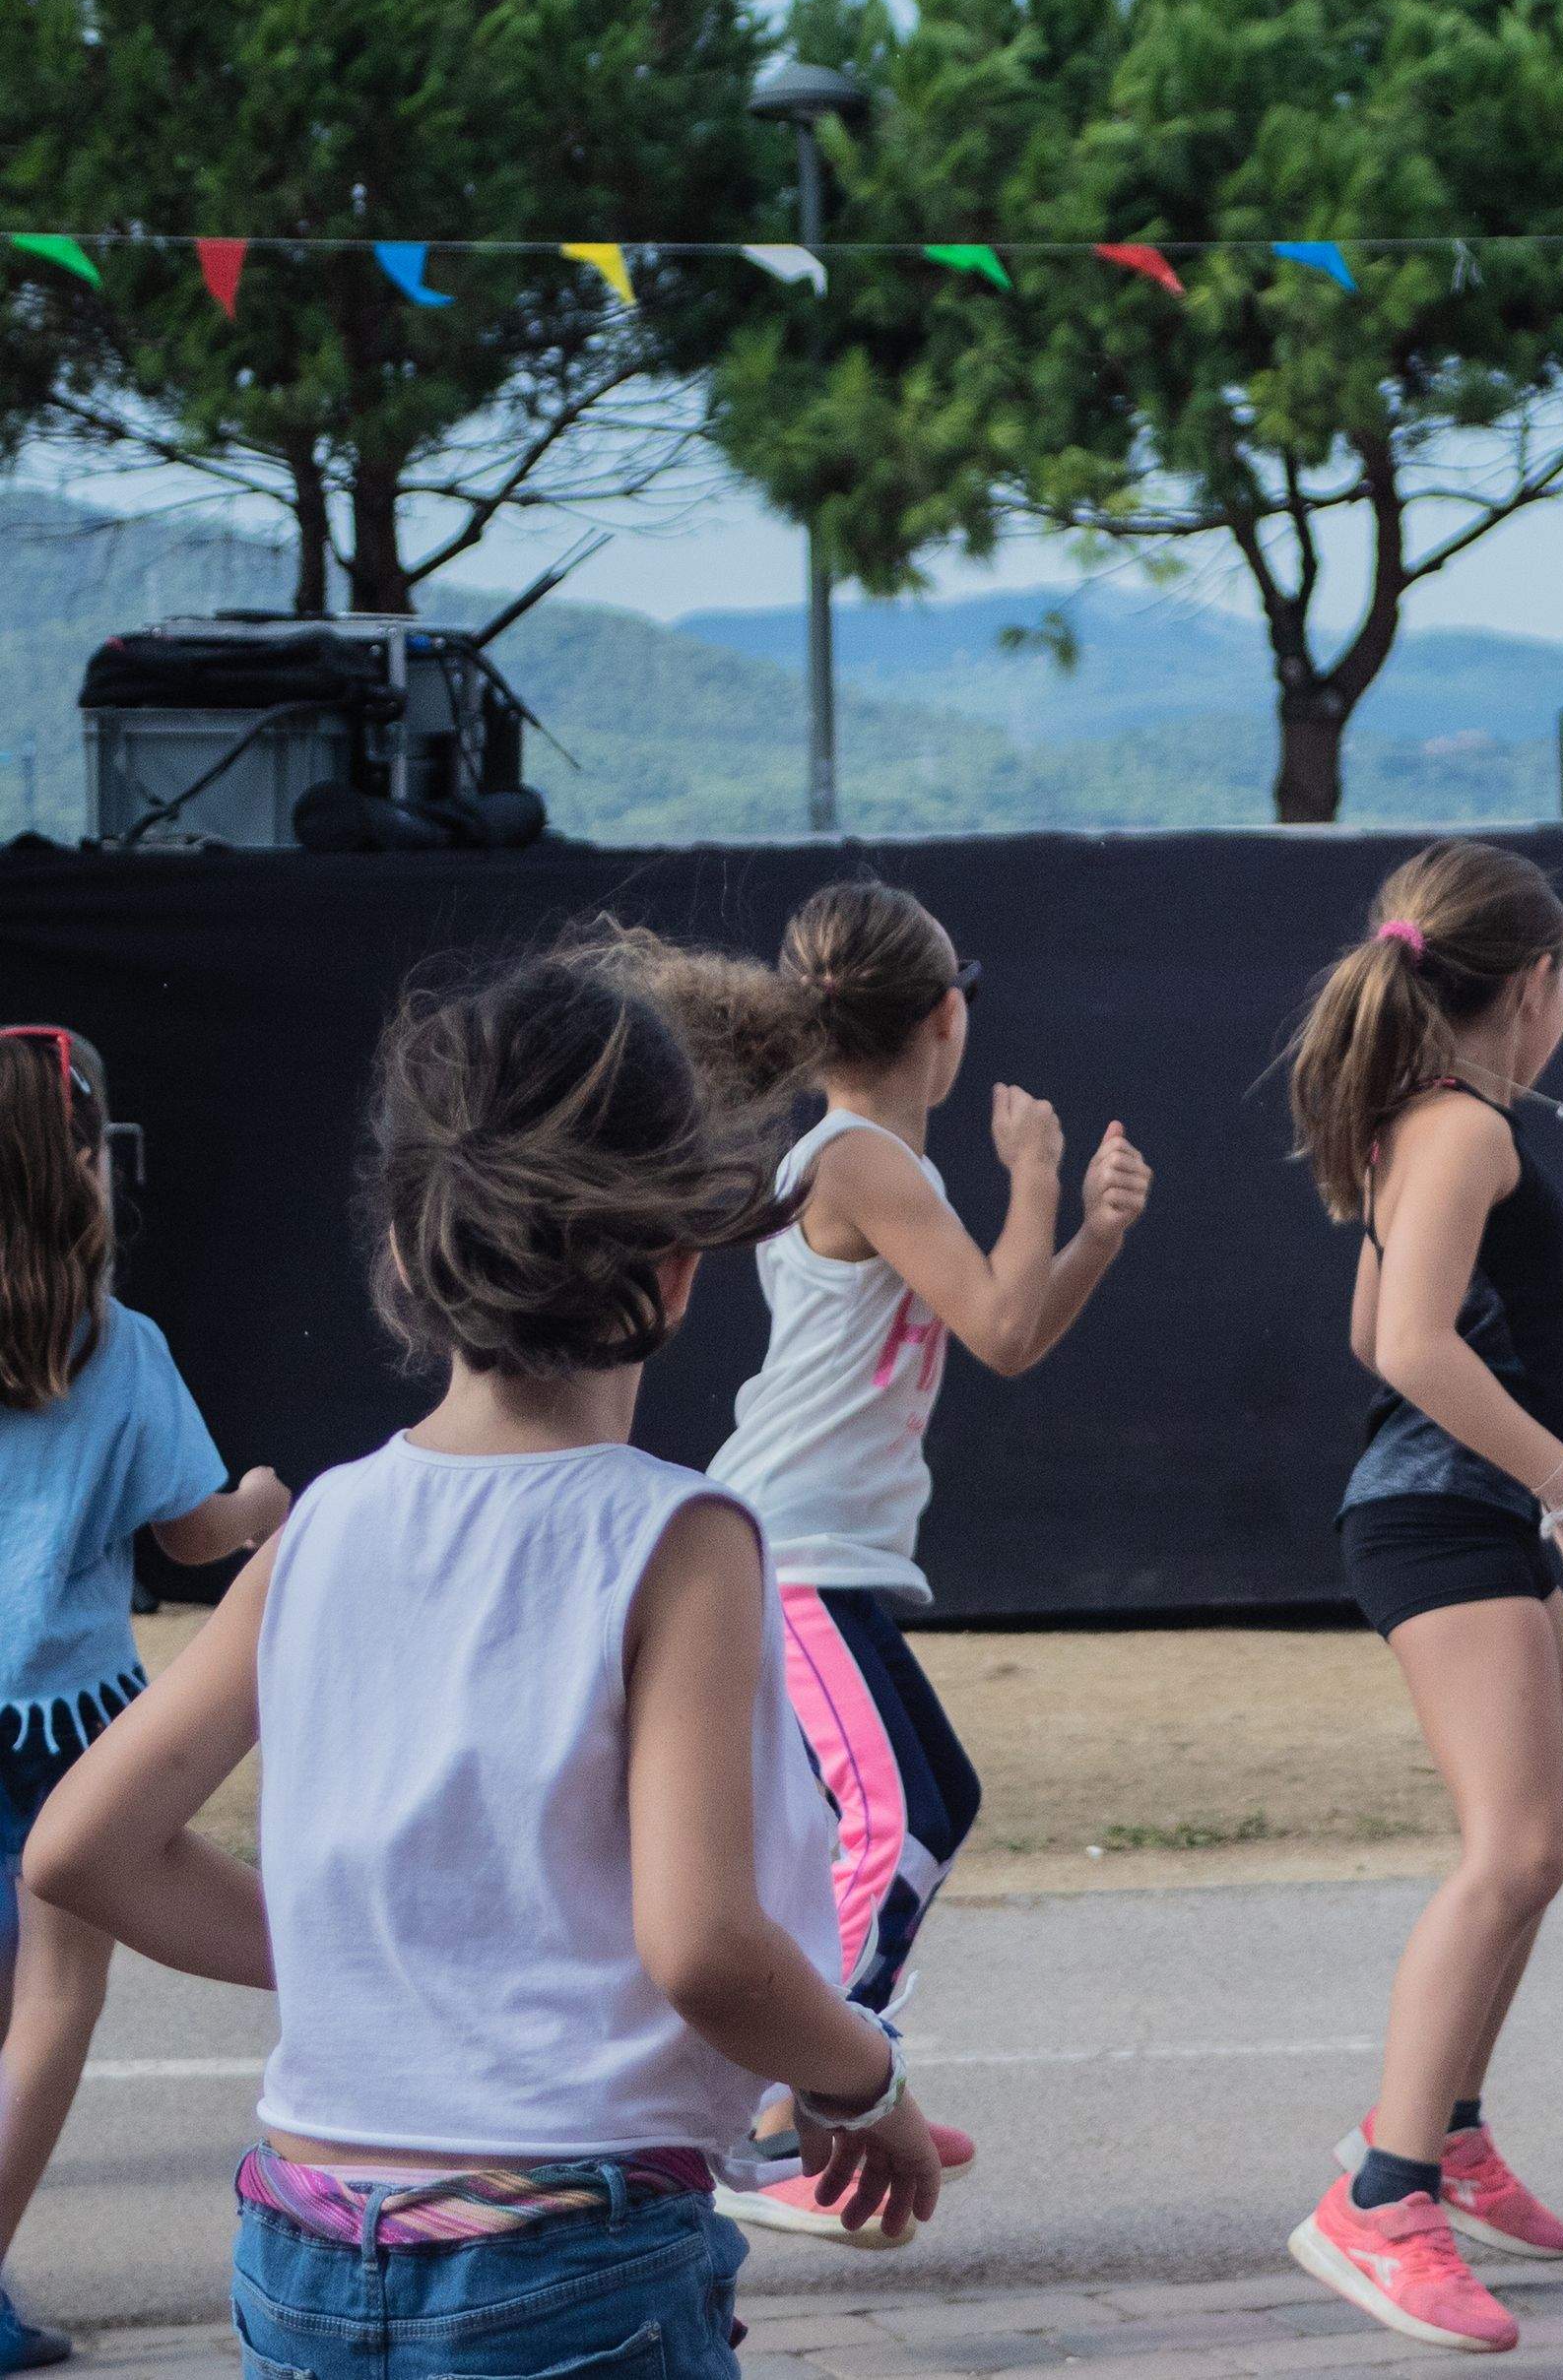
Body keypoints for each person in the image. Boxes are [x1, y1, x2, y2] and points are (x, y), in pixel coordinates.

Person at [27, 942, 941, 2380]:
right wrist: (862, 2078)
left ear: (403, 1249)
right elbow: (700, 1943)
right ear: (678, 1265)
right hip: (564, 2257)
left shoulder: (322, 1523)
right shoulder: (681, 1535)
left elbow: (80, 1845)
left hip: (302, 2250)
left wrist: (370, 1961)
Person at [689, 881, 1150, 2245]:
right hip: (785, 1557)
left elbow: (1006, 1320)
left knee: (932, 1793)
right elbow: (1003, 1326)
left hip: (817, 1557)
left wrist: (1096, 1233)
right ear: (945, 1020)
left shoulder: (869, 1161)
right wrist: (1036, 1176)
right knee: (894, 1818)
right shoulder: (860, 1159)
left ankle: (833, 2076)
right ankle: (795, 2111)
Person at [1280, 841, 1563, 2355]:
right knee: (1506, 1846)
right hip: (1441, 1517)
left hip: (1467, 1506)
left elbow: (1381, 1321)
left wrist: (1555, 1480)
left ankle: (1452, 2124)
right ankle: (1380, 2191)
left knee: (1552, 1834)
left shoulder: (1430, 1126)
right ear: (1537, 983)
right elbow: (1413, 1348)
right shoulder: (1456, 1129)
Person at [0, 1028, 288, 2368]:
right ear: (80, 1172)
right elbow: (186, 1533)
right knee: (51, 2005)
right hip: (72, 1732)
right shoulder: (119, 1344)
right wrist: (258, 1510)